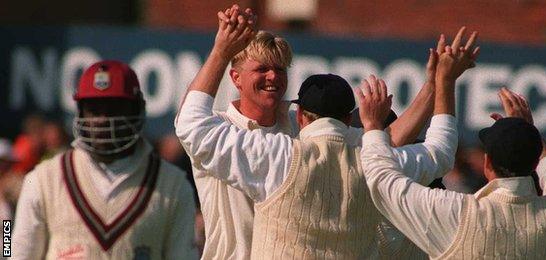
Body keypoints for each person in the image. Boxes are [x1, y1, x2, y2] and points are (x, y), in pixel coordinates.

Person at [182, 4, 444, 259]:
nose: (273, 76)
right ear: (235, 78)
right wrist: (221, 51)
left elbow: (383, 147)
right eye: (262, 69)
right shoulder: (219, 128)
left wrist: (434, 86)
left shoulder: (303, 127)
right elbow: (188, 120)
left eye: (280, 68)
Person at [360, 74, 546, 260]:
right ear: (534, 163)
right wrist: (526, 131)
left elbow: (381, 179)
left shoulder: (458, 213)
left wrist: (371, 124)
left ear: (487, 164)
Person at [12, 60, 198, 259]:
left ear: (136, 110)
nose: (102, 119)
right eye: (94, 109)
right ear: (81, 112)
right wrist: (3, 241)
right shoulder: (43, 179)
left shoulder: (174, 185)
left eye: (114, 108)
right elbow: (14, 251)